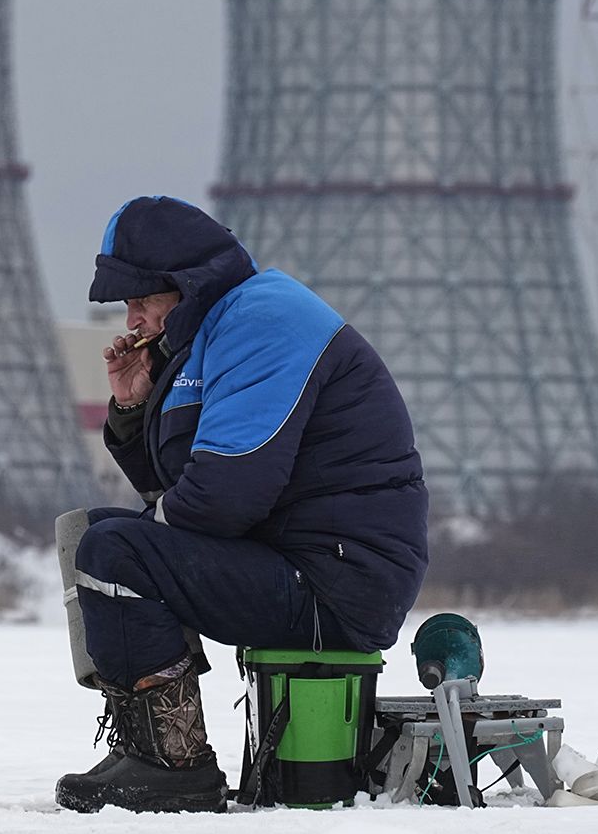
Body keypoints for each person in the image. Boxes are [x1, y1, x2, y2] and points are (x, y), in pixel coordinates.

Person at [55, 196, 428, 814]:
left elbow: (224, 496)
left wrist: (150, 539)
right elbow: (172, 490)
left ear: (185, 283)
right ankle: (146, 740)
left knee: (114, 549)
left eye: (143, 298)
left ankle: (172, 765)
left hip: (337, 581)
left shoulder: (264, 320)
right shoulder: (212, 333)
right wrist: (132, 406)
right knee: (94, 536)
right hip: (298, 561)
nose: (134, 317)